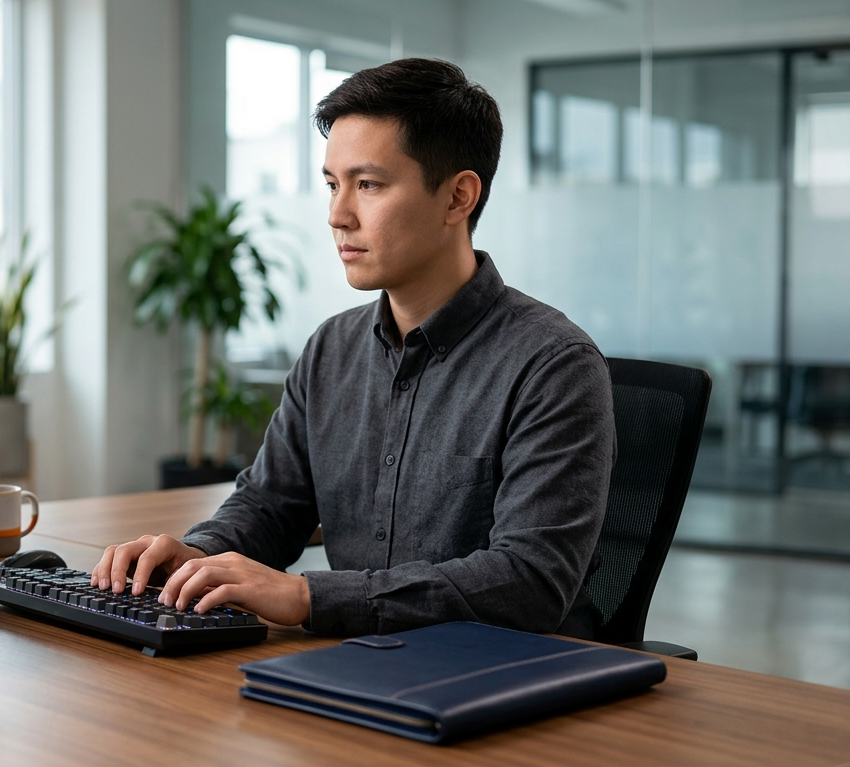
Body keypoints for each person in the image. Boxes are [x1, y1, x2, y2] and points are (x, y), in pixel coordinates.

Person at [92, 58, 614, 638]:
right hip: (359, 668)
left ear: (458, 198)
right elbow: (269, 507)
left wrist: (308, 596)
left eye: (368, 185)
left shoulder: (553, 365)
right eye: (333, 185)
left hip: (502, 685)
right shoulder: (332, 350)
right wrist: (196, 557)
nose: (338, 216)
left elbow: (530, 581)